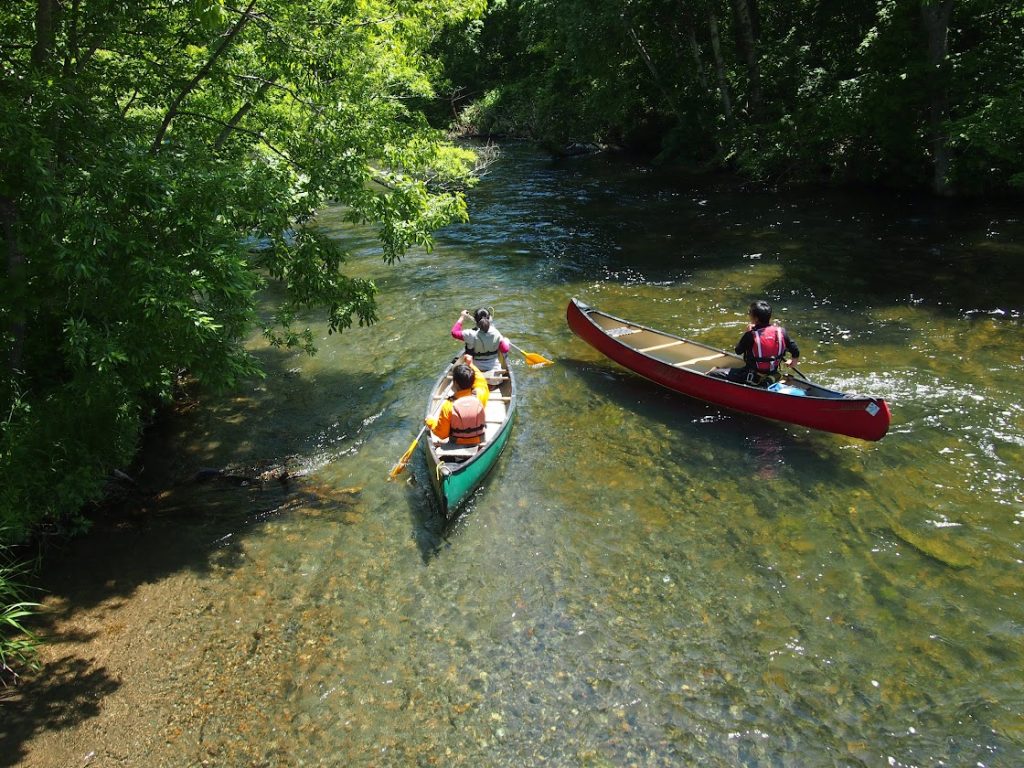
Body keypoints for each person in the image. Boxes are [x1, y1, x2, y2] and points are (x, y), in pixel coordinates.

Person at [709, 300, 800, 386]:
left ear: (755, 318)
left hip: (751, 375)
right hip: (772, 372)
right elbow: (795, 349)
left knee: (713, 374)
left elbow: (738, 351)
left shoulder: (751, 335)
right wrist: (793, 361)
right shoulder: (781, 332)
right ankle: (770, 380)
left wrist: (747, 332)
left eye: (749, 313)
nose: (748, 315)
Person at [425, 360, 490, 445]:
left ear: (455, 383)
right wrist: (471, 364)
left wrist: (430, 421)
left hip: (456, 443)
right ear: (473, 381)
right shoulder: (481, 394)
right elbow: (481, 380)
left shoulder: (448, 406)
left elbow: (442, 435)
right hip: (479, 440)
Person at [451, 308, 510, 374]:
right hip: (495, 372)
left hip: (474, 371)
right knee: (505, 341)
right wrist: (506, 341)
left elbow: (454, 332)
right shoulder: (496, 333)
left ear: (475, 320)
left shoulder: (469, 334)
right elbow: (505, 349)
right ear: (489, 318)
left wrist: (462, 317)